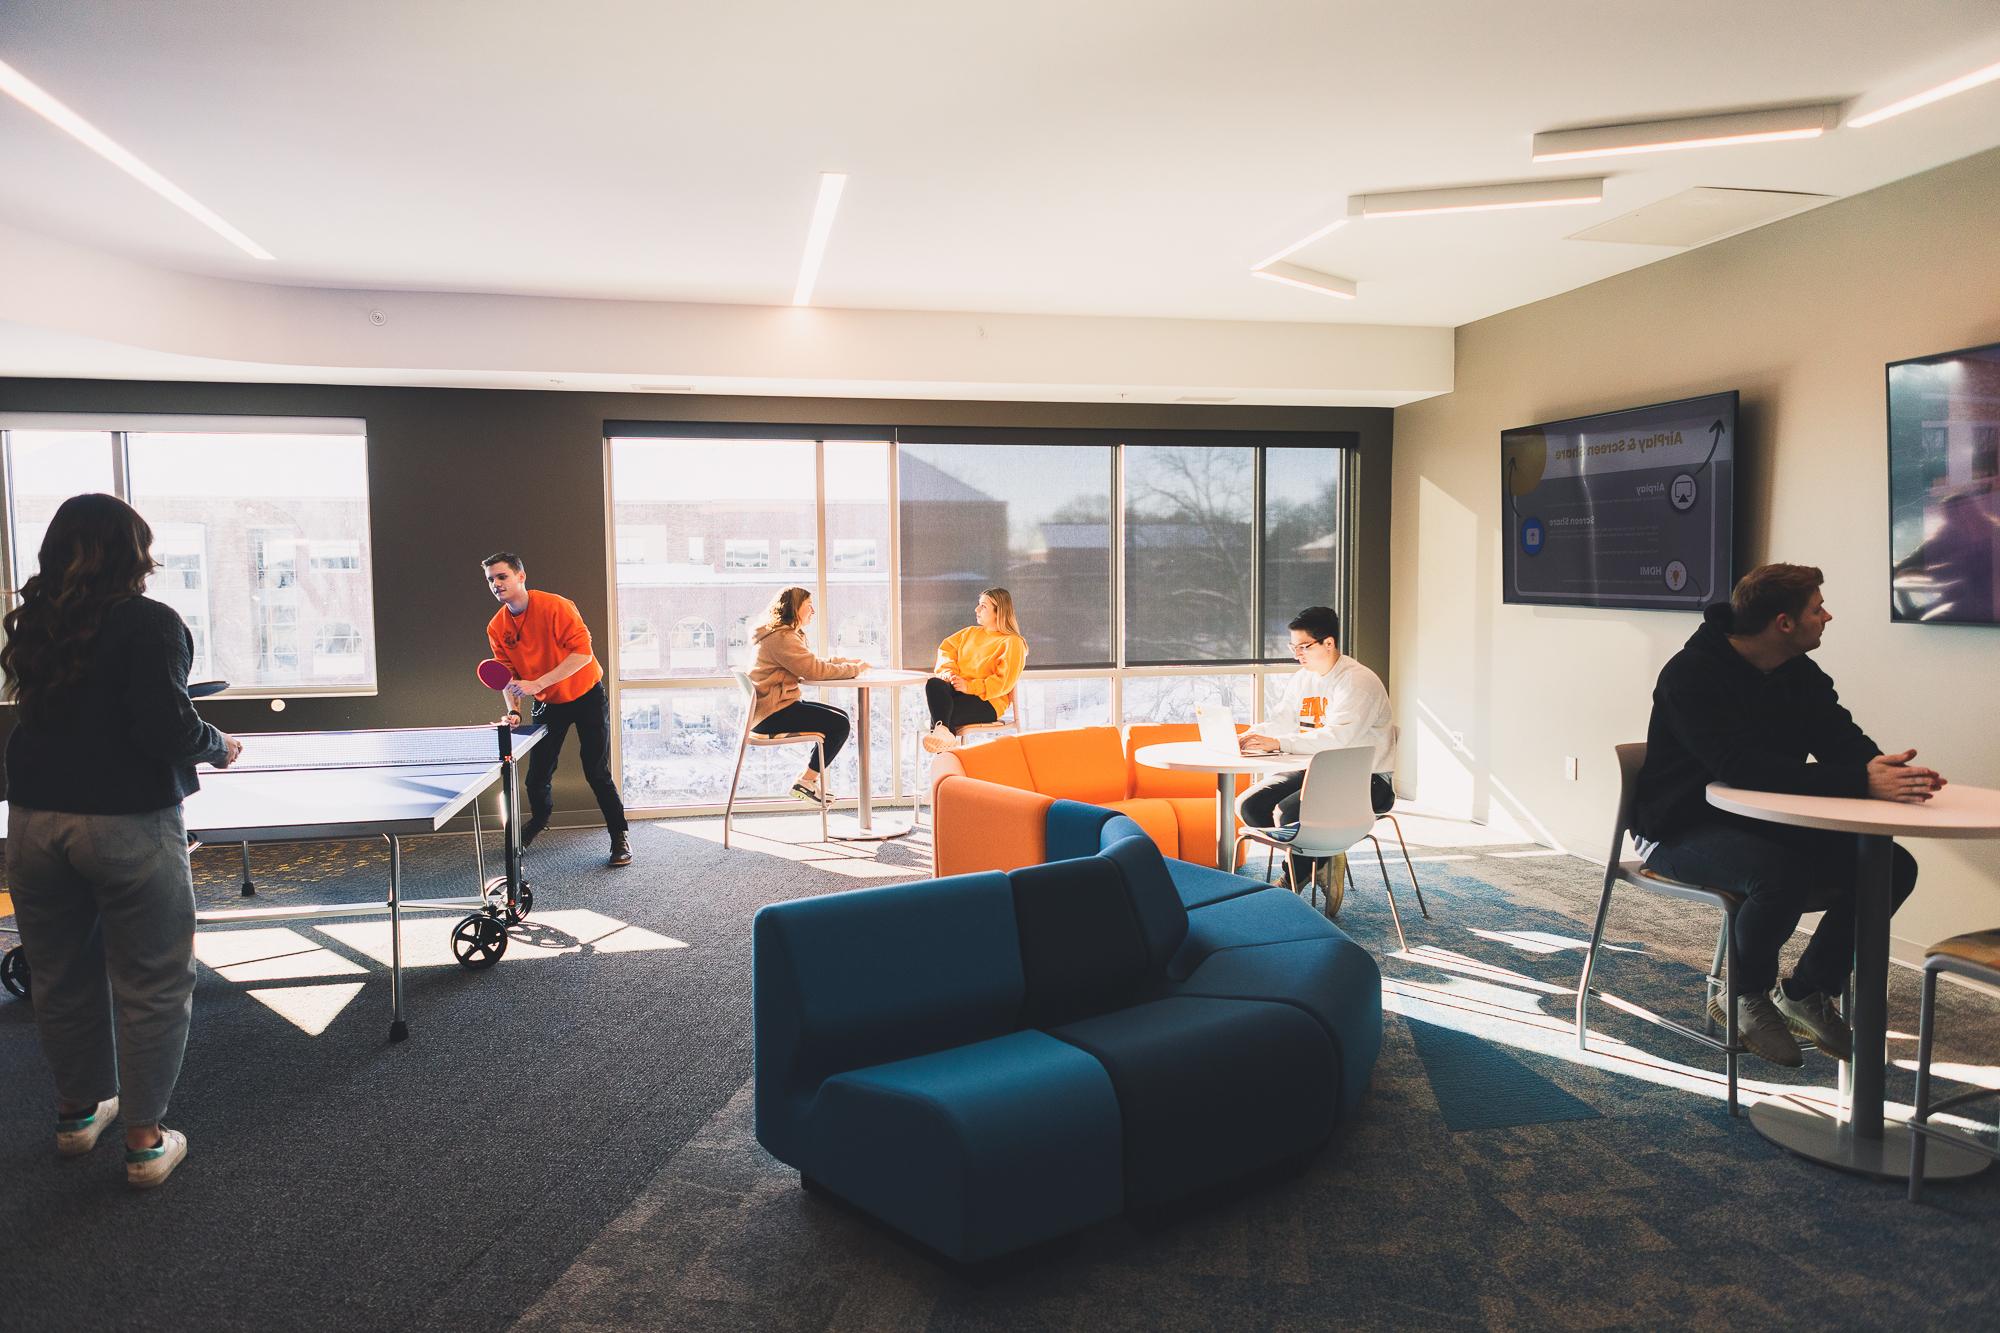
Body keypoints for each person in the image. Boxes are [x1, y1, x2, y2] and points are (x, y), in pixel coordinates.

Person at [2, 493, 240, 1189]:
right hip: (126, 820)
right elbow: (168, 726)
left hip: (35, 818)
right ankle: (144, 1139)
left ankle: (77, 1115)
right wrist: (219, 745)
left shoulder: (35, 621)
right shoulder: (150, 621)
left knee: (60, 972)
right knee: (153, 979)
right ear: (134, 551)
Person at [1633, 563, 1940, 1068]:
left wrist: (1884, 772)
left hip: (1759, 823)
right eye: (1817, 609)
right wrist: (1861, 781)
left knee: (1892, 867)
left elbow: (1840, 739)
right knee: (1780, 875)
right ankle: (1742, 994)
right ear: (1784, 623)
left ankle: (1805, 991)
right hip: (1676, 827)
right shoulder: (1690, 674)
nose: (1828, 616)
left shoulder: (1799, 672)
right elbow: (1740, 768)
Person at [482, 552, 631, 867]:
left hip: (587, 695)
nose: (496, 584)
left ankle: (619, 838)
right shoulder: (497, 627)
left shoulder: (556, 606)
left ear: (521, 576)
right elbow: (508, 678)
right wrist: (515, 712)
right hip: (549, 703)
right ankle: (538, 821)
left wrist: (537, 683)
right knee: (536, 778)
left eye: (502, 576)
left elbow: (583, 654)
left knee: (596, 772)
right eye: (491, 580)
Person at [1235, 606, 1395, 891]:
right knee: (1250, 805)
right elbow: (1282, 719)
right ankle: (1322, 858)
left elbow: (1337, 738)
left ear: (1329, 643)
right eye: (1293, 647)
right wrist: (1252, 734)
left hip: (1365, 779)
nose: (1297, 654)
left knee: (1288, 813)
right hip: (1316, 769)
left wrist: (1280, 743)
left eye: (1304, 647)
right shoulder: (1303, 678)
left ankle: (1295, 877)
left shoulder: (1358, 682)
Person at [746, 588, 864, 805]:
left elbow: (808, 661)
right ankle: (806, 781)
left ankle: (807, 781)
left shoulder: (780, 634)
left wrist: (843, 662)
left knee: (840, 716)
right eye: (809, 604)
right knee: (840, 724)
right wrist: (853, 669)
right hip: (773, 713)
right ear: (794, 607)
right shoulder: (782, 637)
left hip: (774, 707)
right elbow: (813, 670)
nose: (813, 610)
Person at [920, 587, 1028, 753]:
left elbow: (1003, 682)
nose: (976, 609)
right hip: (957, 691)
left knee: (943, 715)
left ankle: (944, 745)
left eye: (983, 606)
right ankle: (945, 740)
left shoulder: (1012, 642)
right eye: (979, 605)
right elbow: (946, 650)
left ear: (998, 612)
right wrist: (949, 673)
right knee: (934, 684)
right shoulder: (969, 633)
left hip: (987, 701)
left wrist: (969, 687)